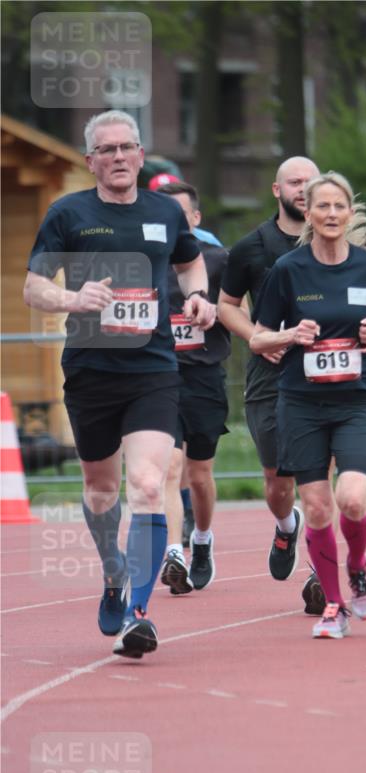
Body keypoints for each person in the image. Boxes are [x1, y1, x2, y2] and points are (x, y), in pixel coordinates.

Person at [23, 110, 215, 658]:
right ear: (91, 162)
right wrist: (72, 299)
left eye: (127, 147)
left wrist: (198, 297)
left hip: (154, 369)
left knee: (151, 484)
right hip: (91, 370)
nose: (118, 157)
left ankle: (138, 612)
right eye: (106, 150)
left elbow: (190, 265)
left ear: (139, 153)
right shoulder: (68, 214)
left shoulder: (163, 212)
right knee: (102, 490)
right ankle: (113, 574)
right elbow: (34, 287)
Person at [250, 171, 366, 639]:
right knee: (316, 510)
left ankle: (358, 565)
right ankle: (333, 605)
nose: (331, 214)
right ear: (308, 215)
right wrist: (291, 335)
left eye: (340, 207)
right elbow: (258, 338)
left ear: (349, 213)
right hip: (301, 403)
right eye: (323, 207)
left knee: (351, 499)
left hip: (356, 401)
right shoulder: (288, 271)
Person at [219, 156, 326, 616]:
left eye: (311, 182)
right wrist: (257, 339)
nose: (304, 189)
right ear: (276, 190)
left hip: (325, 372)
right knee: (277, 480)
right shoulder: (252, 247)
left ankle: (322, 573)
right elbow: (226, 305)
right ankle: (286, 527)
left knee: (321, 477)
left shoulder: (337, 241)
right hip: (272, 374)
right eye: (295, 182)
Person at [155, 181, 230, 594]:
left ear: (196, 219)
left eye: (180, 217)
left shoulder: (218, 261)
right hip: (158, 379)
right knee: (169, 466)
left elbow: (239, 313)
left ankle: (201, 539)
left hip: (204, 378)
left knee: (199, 475)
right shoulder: (144, 262)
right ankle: (173, 553)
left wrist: (218, 312)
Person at [148, 174, 223, 248]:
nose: (172, 219)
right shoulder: (144, 241)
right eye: (164, 213)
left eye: (181, 214)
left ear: (196, 217)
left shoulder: (208, 242)